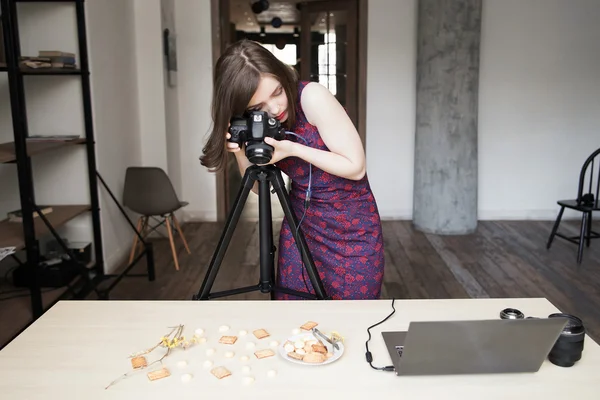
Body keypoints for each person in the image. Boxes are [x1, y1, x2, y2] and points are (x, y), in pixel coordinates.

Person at [200, 39, 384, 300]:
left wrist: (294, 149)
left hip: (352, 230)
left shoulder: (312, 96)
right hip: (301, 225)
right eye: (258, 107)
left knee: (353, 318)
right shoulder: (255, 122)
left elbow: (355, 167)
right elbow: (254, 187)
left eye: (276, 92)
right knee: (294, 314)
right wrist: (240, 151)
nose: (275, 108)